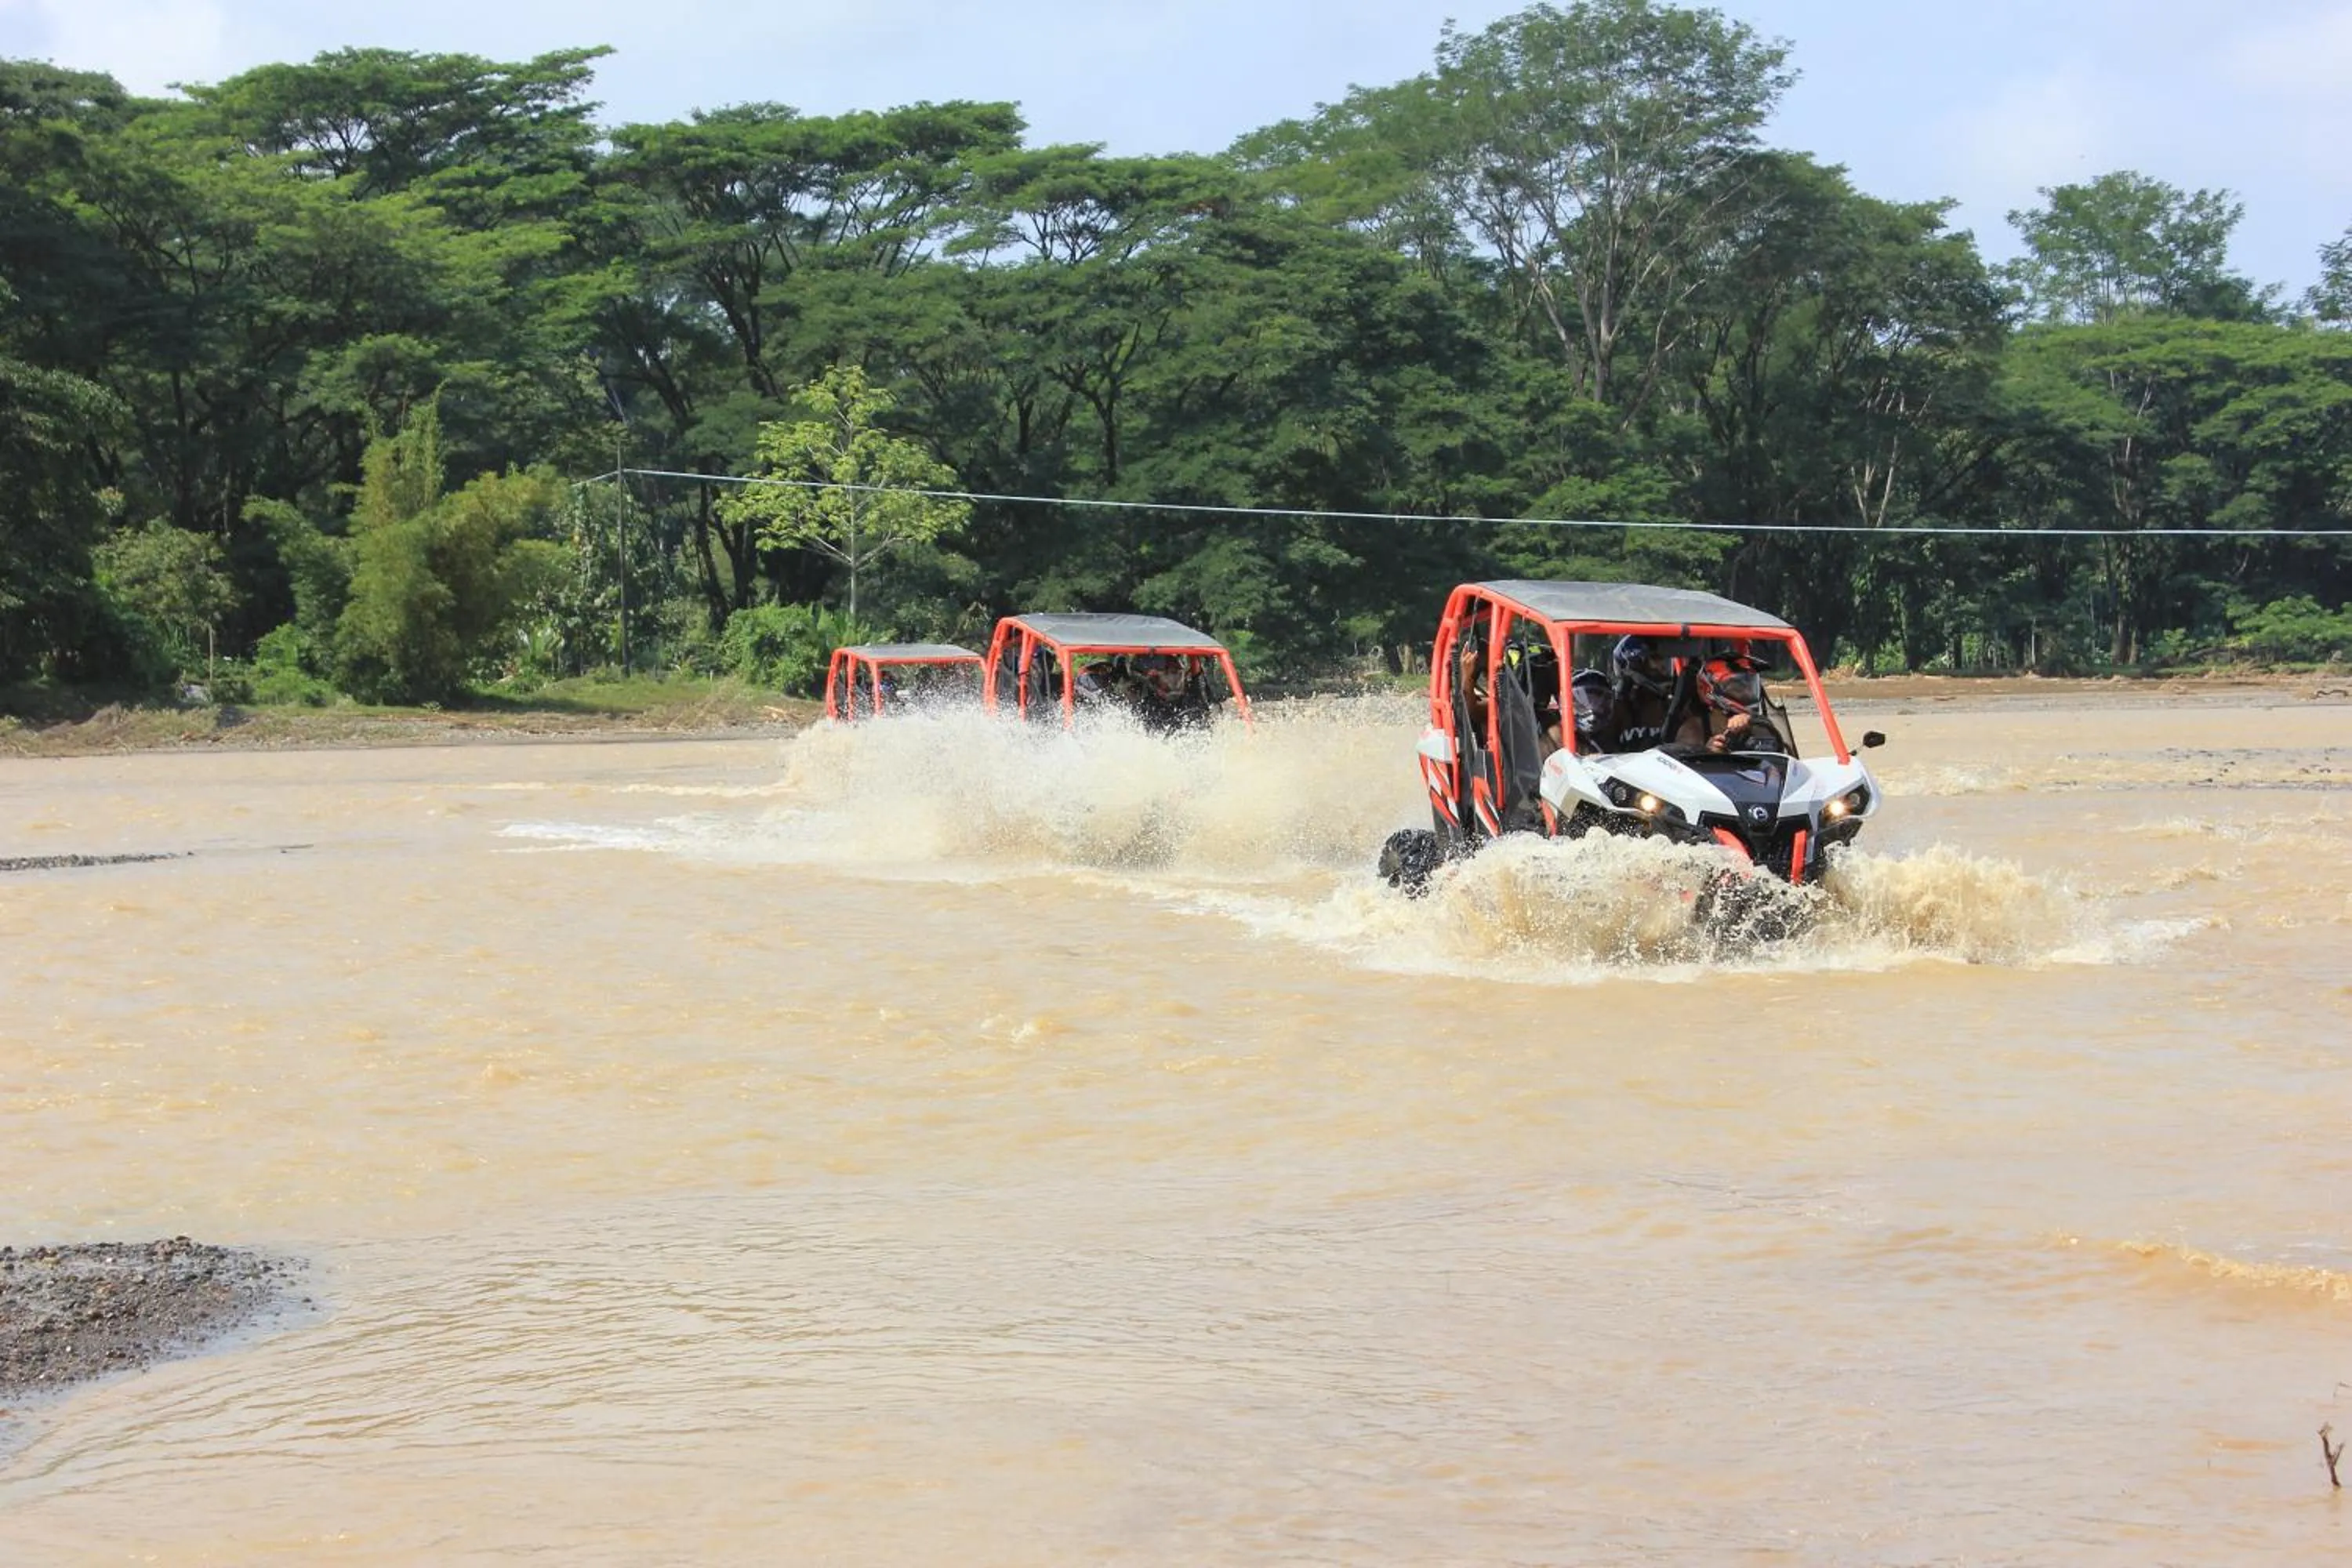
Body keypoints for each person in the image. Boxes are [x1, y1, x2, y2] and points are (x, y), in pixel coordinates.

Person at [1694, 654, 1786, 753]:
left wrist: (1752, 724)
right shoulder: (1695, 727)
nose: (1747, 692)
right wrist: (1707, 752)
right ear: (1708, 688)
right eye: (1737, 686)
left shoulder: (1760, 723)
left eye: (1750, 685)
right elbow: (1679, 763)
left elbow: (1775, 753)